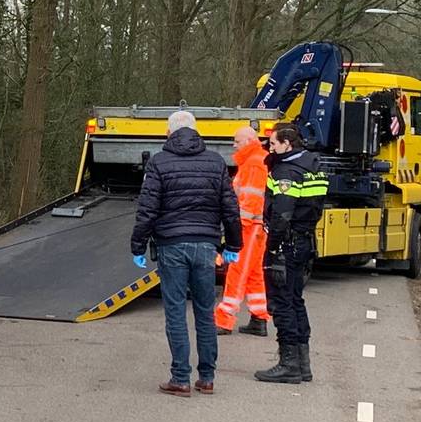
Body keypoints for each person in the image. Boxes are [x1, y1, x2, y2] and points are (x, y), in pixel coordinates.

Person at [131, 111, 243, 397]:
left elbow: (147, 210)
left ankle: (180, 377)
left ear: (169, 134)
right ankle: (207, 377)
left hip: (171, 245)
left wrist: (138, 245)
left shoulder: (159, 162)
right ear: (196, 132)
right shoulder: (215, 162)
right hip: (206, 245)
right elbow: (230, 208)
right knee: (205, 312)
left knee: (176, 311)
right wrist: (233, 245)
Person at [254, 123, 327, 384]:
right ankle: (303, 364)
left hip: (286, 245)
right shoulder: (315, 166)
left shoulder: (286, 171)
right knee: (296, 301)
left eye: (273, 144)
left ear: (287, 143)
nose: (270, 148)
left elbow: (282, 214)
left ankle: (289, 364)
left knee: (282, 302)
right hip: (305, 241)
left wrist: (272, 246)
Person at [215, 126, 271, 337]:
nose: (233, 145)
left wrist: (235, 232)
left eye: (237, 141)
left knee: (236, 273)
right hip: (255, 228)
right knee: (254, 274)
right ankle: (259, 318)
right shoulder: (254, 160)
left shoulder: (254, 163)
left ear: (248, 140)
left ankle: (224, 320)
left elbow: (250, 201)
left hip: (249, 228)